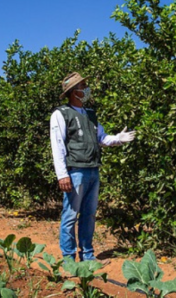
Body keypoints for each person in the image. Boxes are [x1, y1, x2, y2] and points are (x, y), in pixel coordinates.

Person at [49, 72, 136, 264]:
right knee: (70, 215)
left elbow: (102, 138)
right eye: (82, 87)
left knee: (89, 215)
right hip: (75, 171)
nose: (86, 90)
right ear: (73, 92)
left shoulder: (90, 115)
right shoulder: (61, 114)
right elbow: (58, 145)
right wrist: (62, 175)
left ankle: (87, 256)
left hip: (92, 170)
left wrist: (118, 139)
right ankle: (68, 259)